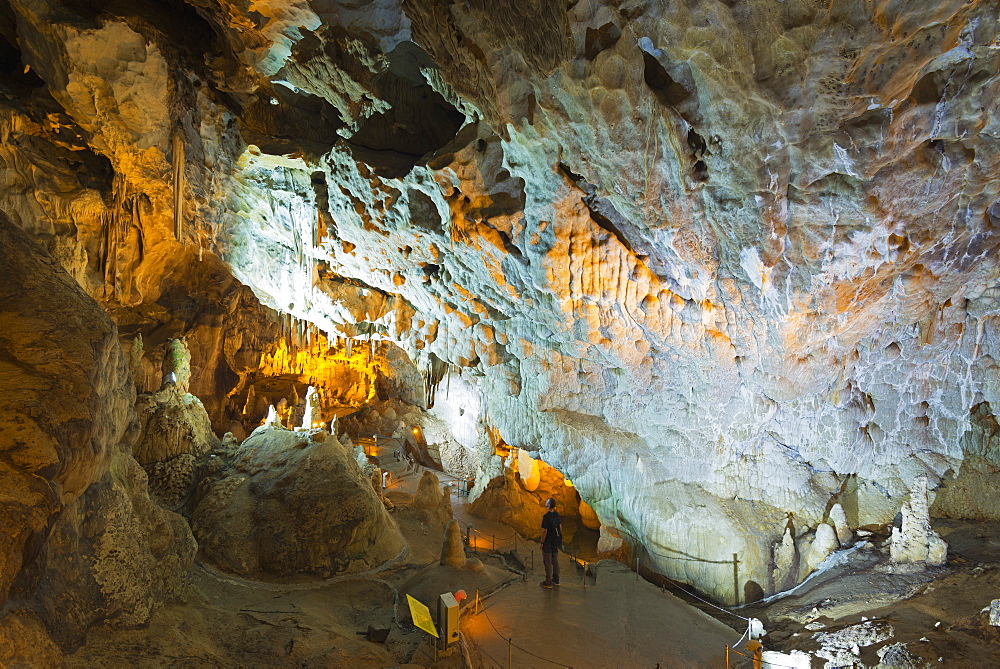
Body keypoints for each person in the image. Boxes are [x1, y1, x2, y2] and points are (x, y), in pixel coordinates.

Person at [539, 497, 561, 588]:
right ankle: (556, 580)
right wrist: (559, 538)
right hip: (555, 541)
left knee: (547, 561)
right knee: (555, 560)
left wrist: (541, 542)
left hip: (548, 541)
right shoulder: (557, 515)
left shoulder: (546, 517)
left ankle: (548, 582)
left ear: (548, 505)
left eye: (546, 502)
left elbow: (545, 531)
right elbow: (560, 527)